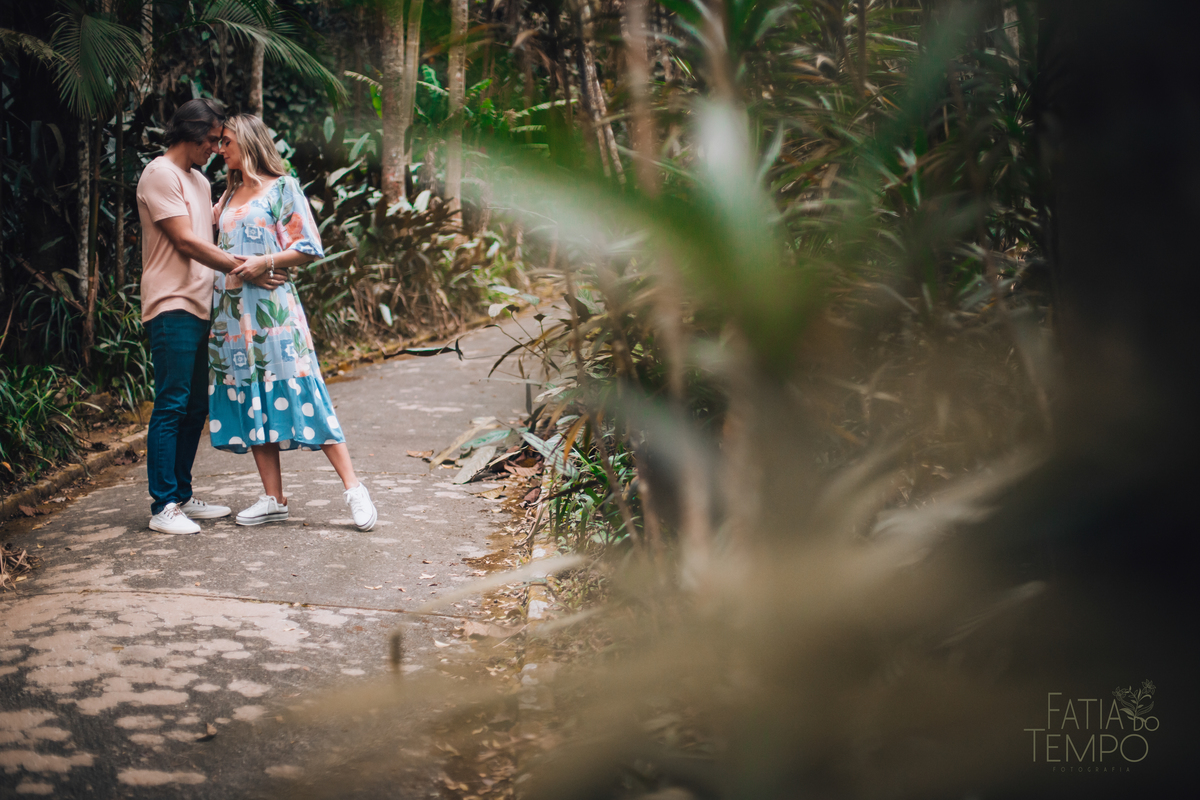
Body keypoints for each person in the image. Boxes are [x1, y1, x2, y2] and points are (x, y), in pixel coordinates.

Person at [208, 113, 377, 531]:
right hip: (231, 315)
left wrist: (264, 262)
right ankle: (274, 498)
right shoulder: (226, 197)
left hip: (274, 312)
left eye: (226, 141)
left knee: (304, 390)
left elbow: (308, 245)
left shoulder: (282, 187)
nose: (219, 149)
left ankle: (354, 488)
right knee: (252, 398)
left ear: (246, 142)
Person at [136, 99, 288, 536]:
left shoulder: (200, 182)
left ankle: (180, 496)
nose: (216, 148)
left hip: (204, 304)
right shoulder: (159, 174)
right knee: (171, 402)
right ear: (190, 133)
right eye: (211, 139)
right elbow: (185, 241)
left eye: (222, 140)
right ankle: (163, 504)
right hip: (171, 302)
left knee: (195, 405)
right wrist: (242, 266)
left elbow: (211, 229)